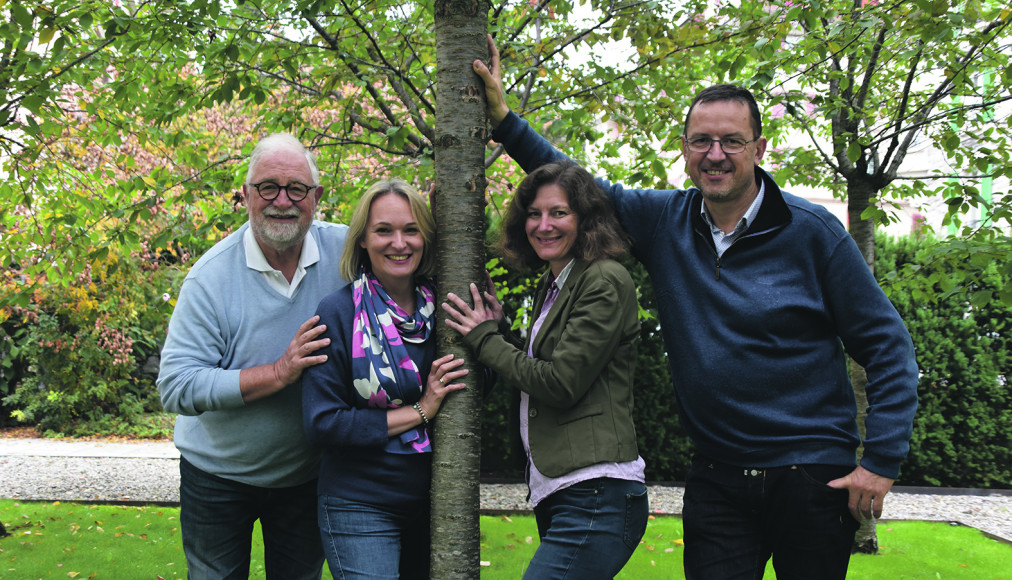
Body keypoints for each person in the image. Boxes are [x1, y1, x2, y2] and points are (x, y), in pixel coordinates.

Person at [471, 35, 919, 579]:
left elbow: (888, 345)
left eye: (732, 141)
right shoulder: (665, 222)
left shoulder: (814, 234)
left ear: (759, 148)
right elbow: (576, 187)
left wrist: (881, 462)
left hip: (811, 473)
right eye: (701, 141)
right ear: (684, 149)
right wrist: (503, 119)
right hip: (718, 474)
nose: (715, 155)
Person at [442, 160, 649, 579]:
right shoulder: (557, 282)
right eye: (534, 213)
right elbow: (543, 365)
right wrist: (499, 328)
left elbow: (560, 382)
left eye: (558, 213)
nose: (543, 225)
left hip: (597, 493)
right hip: (564, 490)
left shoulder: (603, 280)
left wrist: (484, 339)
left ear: (586, 219)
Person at [158, 133, 347, 579]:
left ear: (316, 197)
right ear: (245, 195)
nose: (282, 200)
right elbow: (176, 385)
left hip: (305, 476)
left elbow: (404, 250)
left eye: (296, 188)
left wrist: (438, 219)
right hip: (217, 476)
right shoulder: (210, 278)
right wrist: (278, 373)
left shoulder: (346, 253)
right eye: (268, 187)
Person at [301, 179, 468, 580]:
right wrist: (421, 409)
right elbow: (323, 422)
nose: (399, 242)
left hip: (437, 502)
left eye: (411, 230)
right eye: (384, 230)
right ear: (362, 240)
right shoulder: (338, 312)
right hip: (358, 502)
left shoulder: (444, 308)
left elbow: (472, 390)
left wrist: (488, 334)